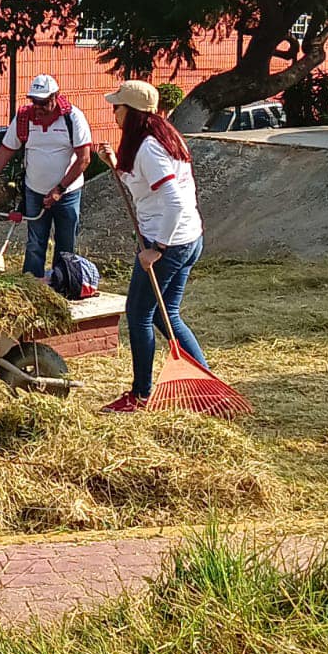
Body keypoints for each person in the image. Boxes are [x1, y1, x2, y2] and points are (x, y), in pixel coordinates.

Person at [100, 79, 210, 414]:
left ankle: (141, 394)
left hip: (170, 243)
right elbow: (145, 187)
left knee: (138, 314)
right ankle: (202, 383)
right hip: (190, 237)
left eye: (117, 106)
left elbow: (174, 202)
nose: (113, 111)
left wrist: (157, 248)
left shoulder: (149, 147)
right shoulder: (163, 135)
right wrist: (114, 162)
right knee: (168, 315)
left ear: (131, 111)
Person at [0, 74, 93, 279]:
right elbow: (6, 150)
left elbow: (84, 159)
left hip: (68, 192)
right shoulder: (24, 118)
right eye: (34, 101)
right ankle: (32, 284)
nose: (37, 106)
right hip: (35, 190)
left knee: (65, 244)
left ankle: (62, 284)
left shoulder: (72, 118)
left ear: (56, 96)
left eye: (43, 101)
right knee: (35, 242)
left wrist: (59, 189)